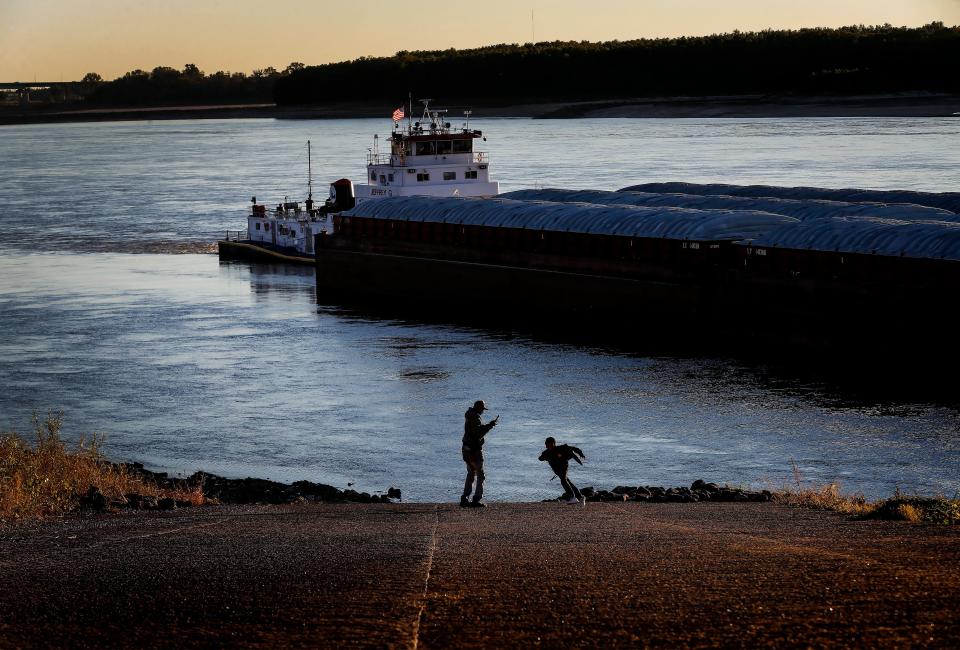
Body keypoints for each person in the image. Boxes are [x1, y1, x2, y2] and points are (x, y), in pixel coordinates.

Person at [461, 400, 499, 508]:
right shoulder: (476, 417)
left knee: (471, 473)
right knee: (480, 474)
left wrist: (488, 425)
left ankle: (465, 498)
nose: (483, 411)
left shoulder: (469, 415)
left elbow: (475, 431)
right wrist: (490, 426)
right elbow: (478, 434)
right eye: (483, 409)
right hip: (474, 450)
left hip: (466, 449)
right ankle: (476, 499)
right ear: (479, 408)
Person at [538, 437, 586, 506]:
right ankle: (580, 497)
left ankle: (572, 497)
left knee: (563, 480)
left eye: (547, 444)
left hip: (563, 467)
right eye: (545, 444)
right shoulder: (546, 452)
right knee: (567, 482)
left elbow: (573, 448)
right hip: (557, 471)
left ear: (553, 443)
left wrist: (580, 453)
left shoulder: (560, 448)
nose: (545, 445)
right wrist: (546, 457)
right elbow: (540, 458)